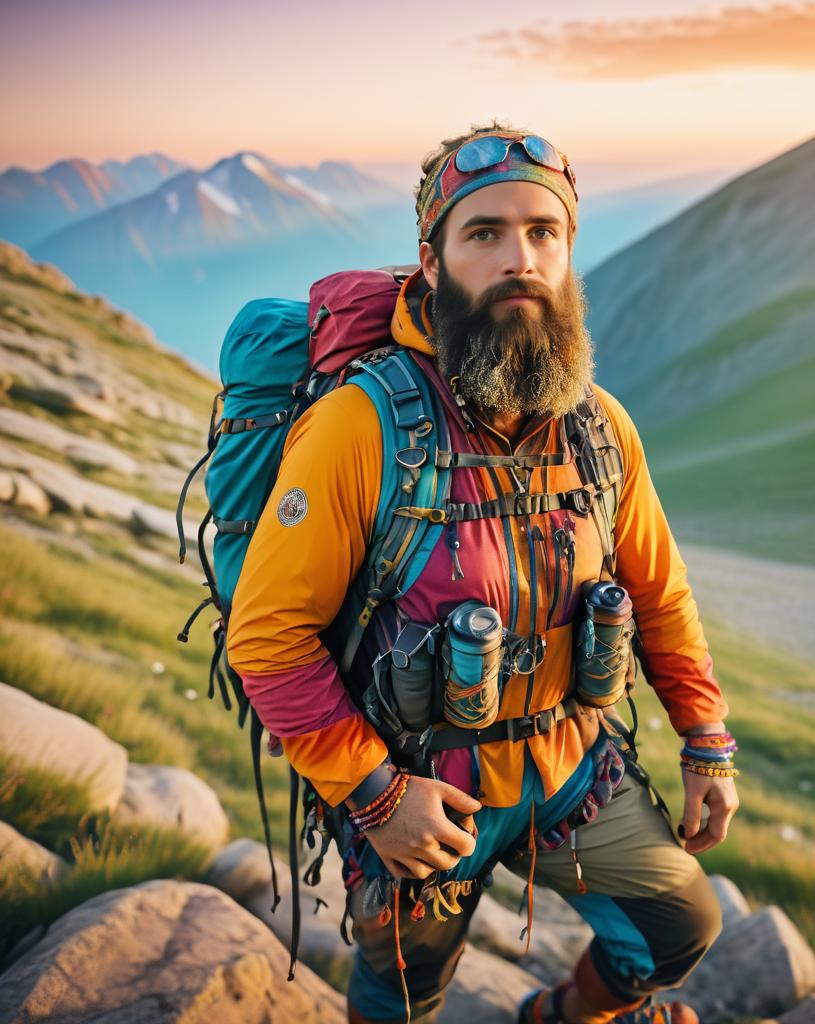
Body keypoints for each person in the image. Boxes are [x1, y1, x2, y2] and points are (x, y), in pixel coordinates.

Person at [227, 120, 741, 1024]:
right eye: (484, 233)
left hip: (572, 764)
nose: (520, 258)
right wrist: (376, 797)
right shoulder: (362, 427)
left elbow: (660, 592)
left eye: (545, 233)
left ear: (570, 251)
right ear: (431, 261)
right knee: (402, 996)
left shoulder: (599, 426)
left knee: (678, 928)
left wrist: (704, 737)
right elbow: (267, 637)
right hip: (417, 783)